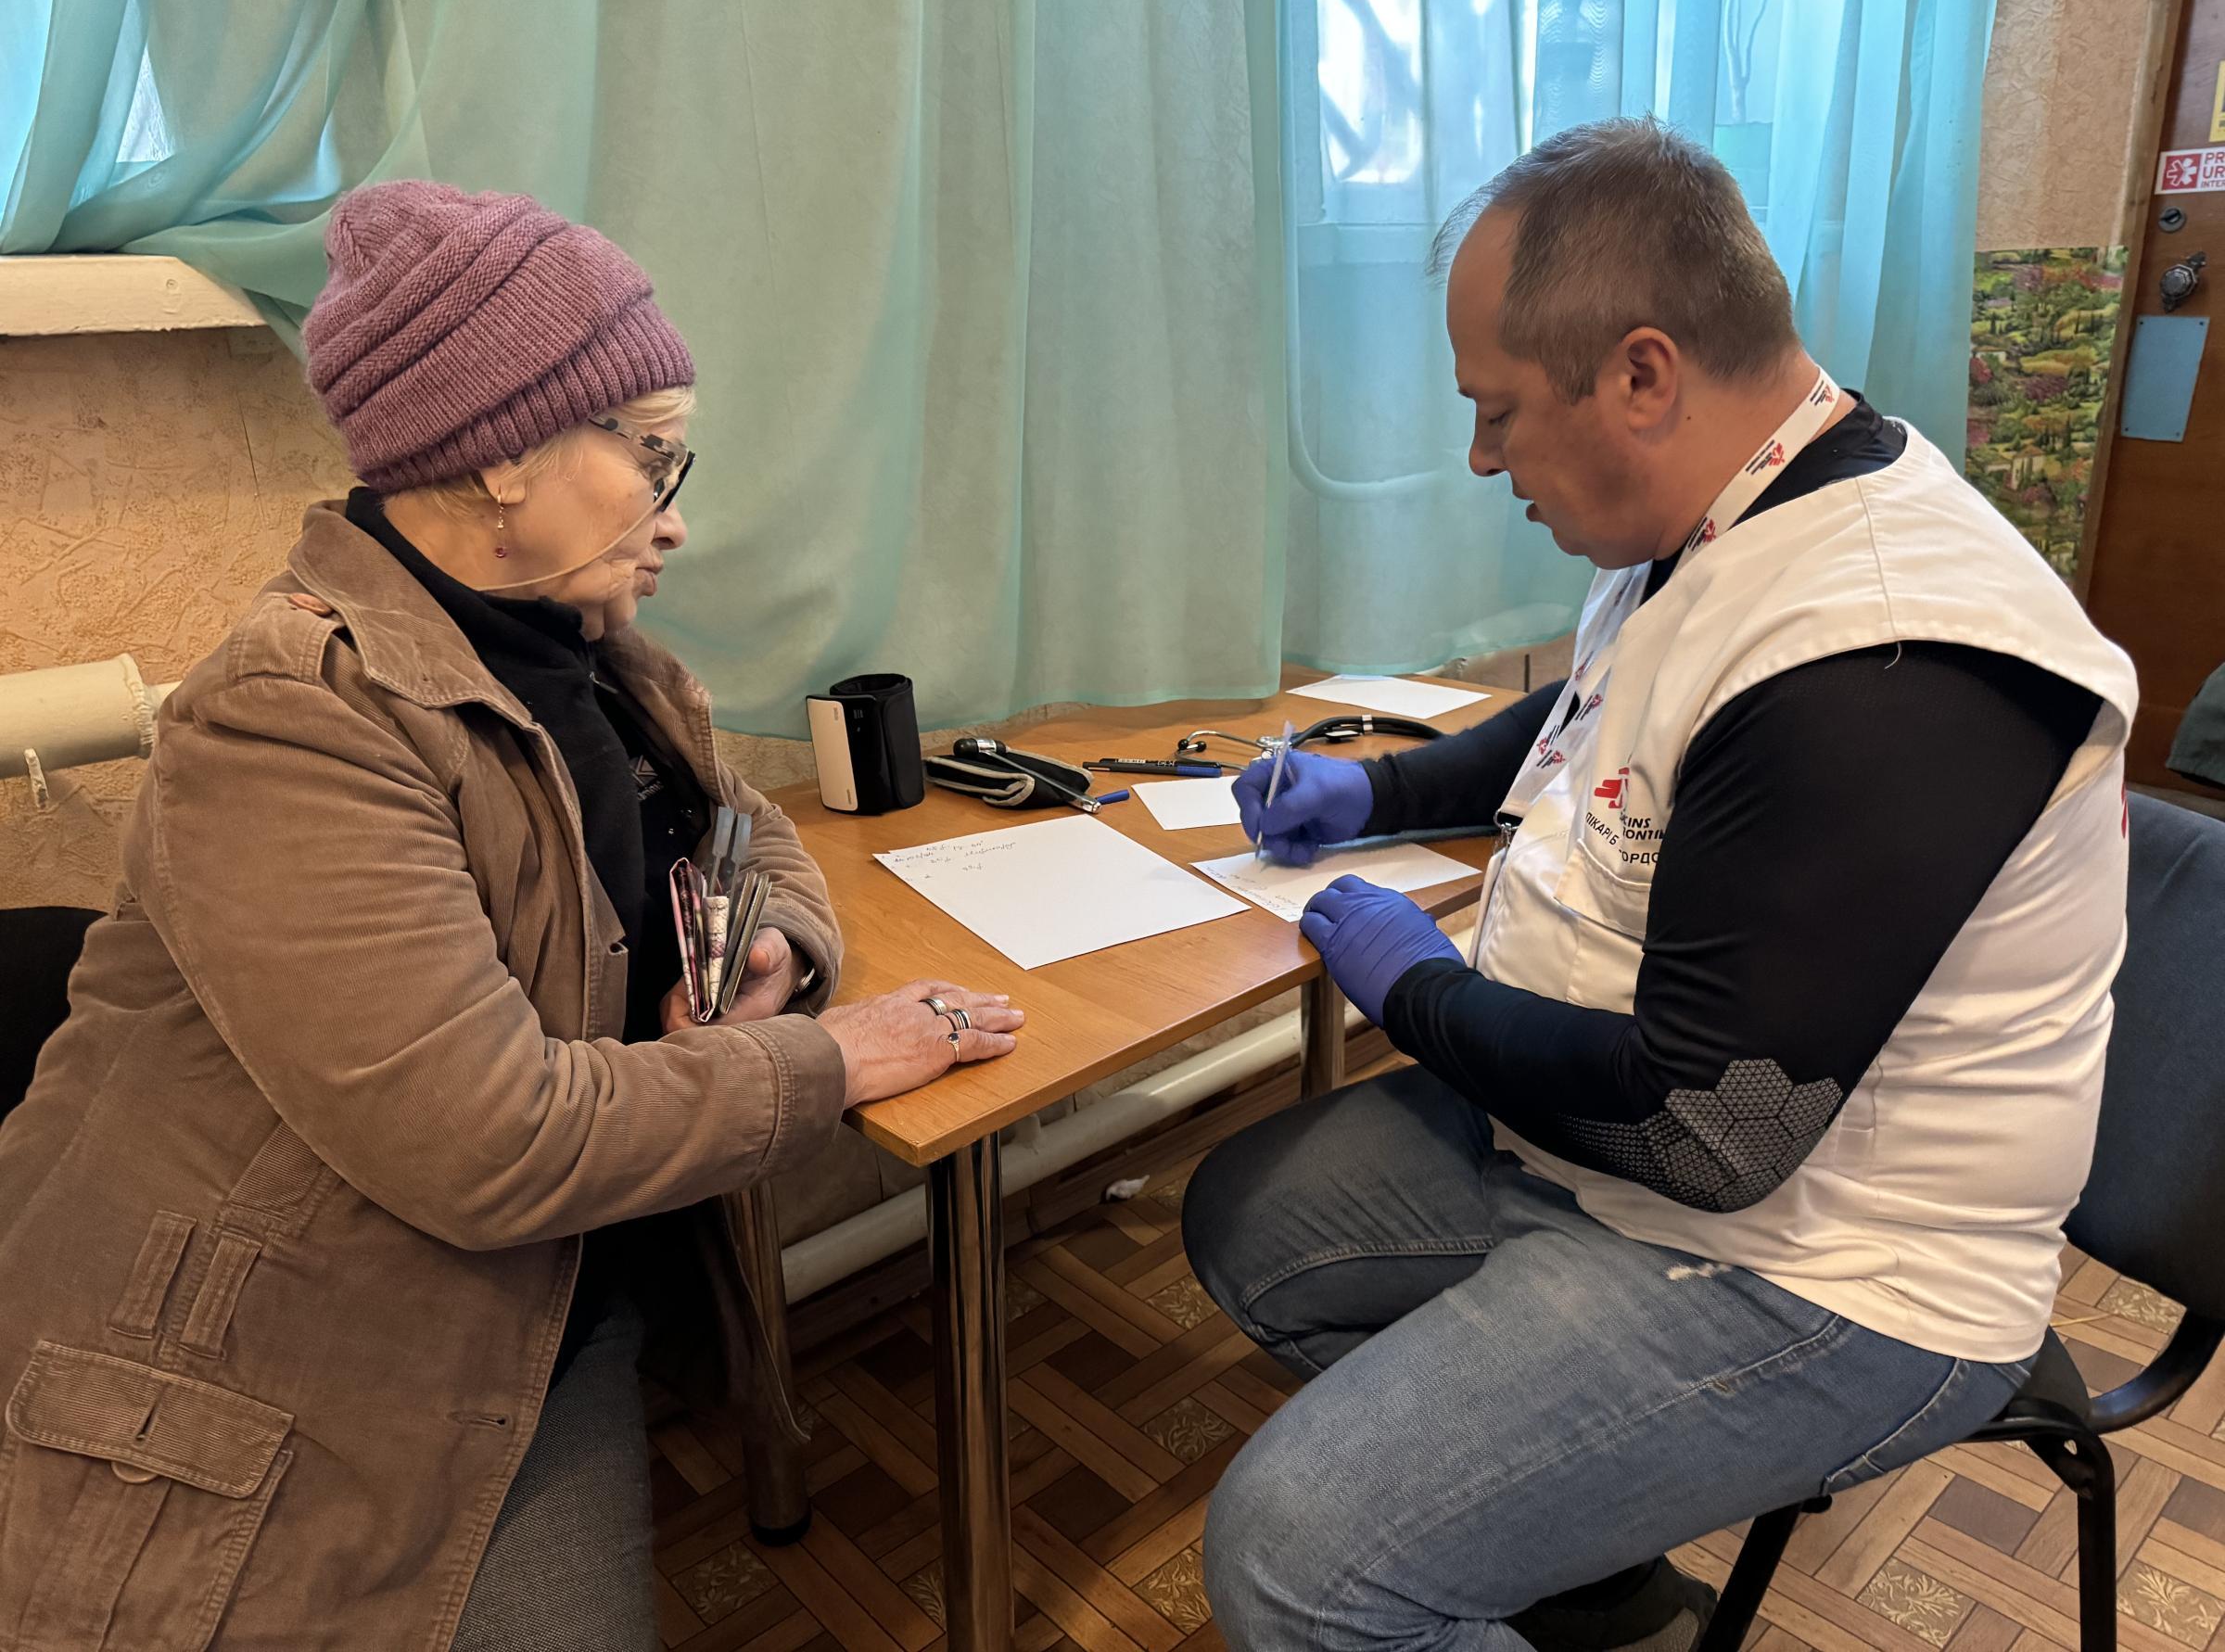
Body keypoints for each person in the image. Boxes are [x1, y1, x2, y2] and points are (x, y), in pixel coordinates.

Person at [0, 181, 1024, 1651]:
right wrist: (835, 1057)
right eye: (656, 457)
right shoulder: (295, 717)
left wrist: (779, 948)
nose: (679, 515)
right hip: (309, 1366)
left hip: (538, 1299)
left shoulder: (602, 659)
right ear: (501, 458)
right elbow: (492, 1143)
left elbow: (756, 831)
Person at [1187, 119, 2138, 1652]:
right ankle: (1598, 1587)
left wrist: (1414, 988)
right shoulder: (1725, 511)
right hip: (1609, 1155)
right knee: (1252, 1219)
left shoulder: (1890, 654)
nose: (1484, 458)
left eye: (1496, 414)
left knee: (1294, 1562)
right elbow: (1592, 715)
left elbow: (1713, 1134)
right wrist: (1378, 790)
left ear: (1641, 373)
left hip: (1831, 1270)